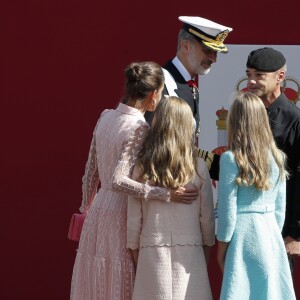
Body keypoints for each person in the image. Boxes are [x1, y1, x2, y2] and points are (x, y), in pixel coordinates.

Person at [70, 61, 197, 300]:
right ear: (154, 93)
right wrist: (165, 194)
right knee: (120, 285)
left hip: (96, 215)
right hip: (120, 213)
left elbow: (90, 174)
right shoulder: (140, 127)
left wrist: (86, 210)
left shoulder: (105, 116)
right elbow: (119, 180)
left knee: (94, 286)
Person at [127, 97, 215, 300]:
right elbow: (207, 219)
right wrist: (206, 248)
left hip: (151, 251)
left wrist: (134, 249)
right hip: (191, 253)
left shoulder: (142, 166)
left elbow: (134, 218)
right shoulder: (198, 166)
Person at [217, 92, 296, 299]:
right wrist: (271, 234)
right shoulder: (278, 157)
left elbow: (227, 211)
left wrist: (221, 248)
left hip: (242, 238)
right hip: (270, 235)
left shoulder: (230, 159)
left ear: (235, 122)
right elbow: (281, 209)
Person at [145, 16, 233, 180]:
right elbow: (146, 145)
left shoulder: (190, 87)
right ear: (185, 46)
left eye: (216, 52)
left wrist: (229, 169)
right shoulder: (159, 84)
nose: (214, 58)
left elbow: (185, 148)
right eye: (208, 51)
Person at [246, 47, 300, 274]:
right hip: (248, 223)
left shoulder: (294, 120)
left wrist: (295, 234)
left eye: (259, 75)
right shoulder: (246, 114)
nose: (251, 81)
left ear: (280, 77)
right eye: (249, 74)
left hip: (280, 228)